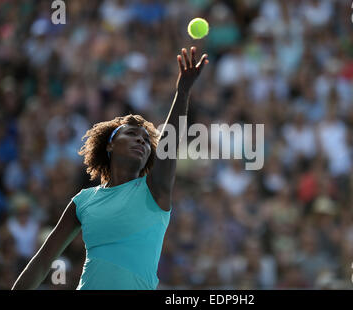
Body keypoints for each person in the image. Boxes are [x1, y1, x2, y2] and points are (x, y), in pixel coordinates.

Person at [11, 46, 209, 290]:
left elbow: (168, 144)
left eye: (147, 141)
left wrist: (183, 92)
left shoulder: (154, 190)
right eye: (133, 135)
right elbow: (42, 262)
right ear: (110, 145)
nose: (142, 141)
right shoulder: (83, 201)